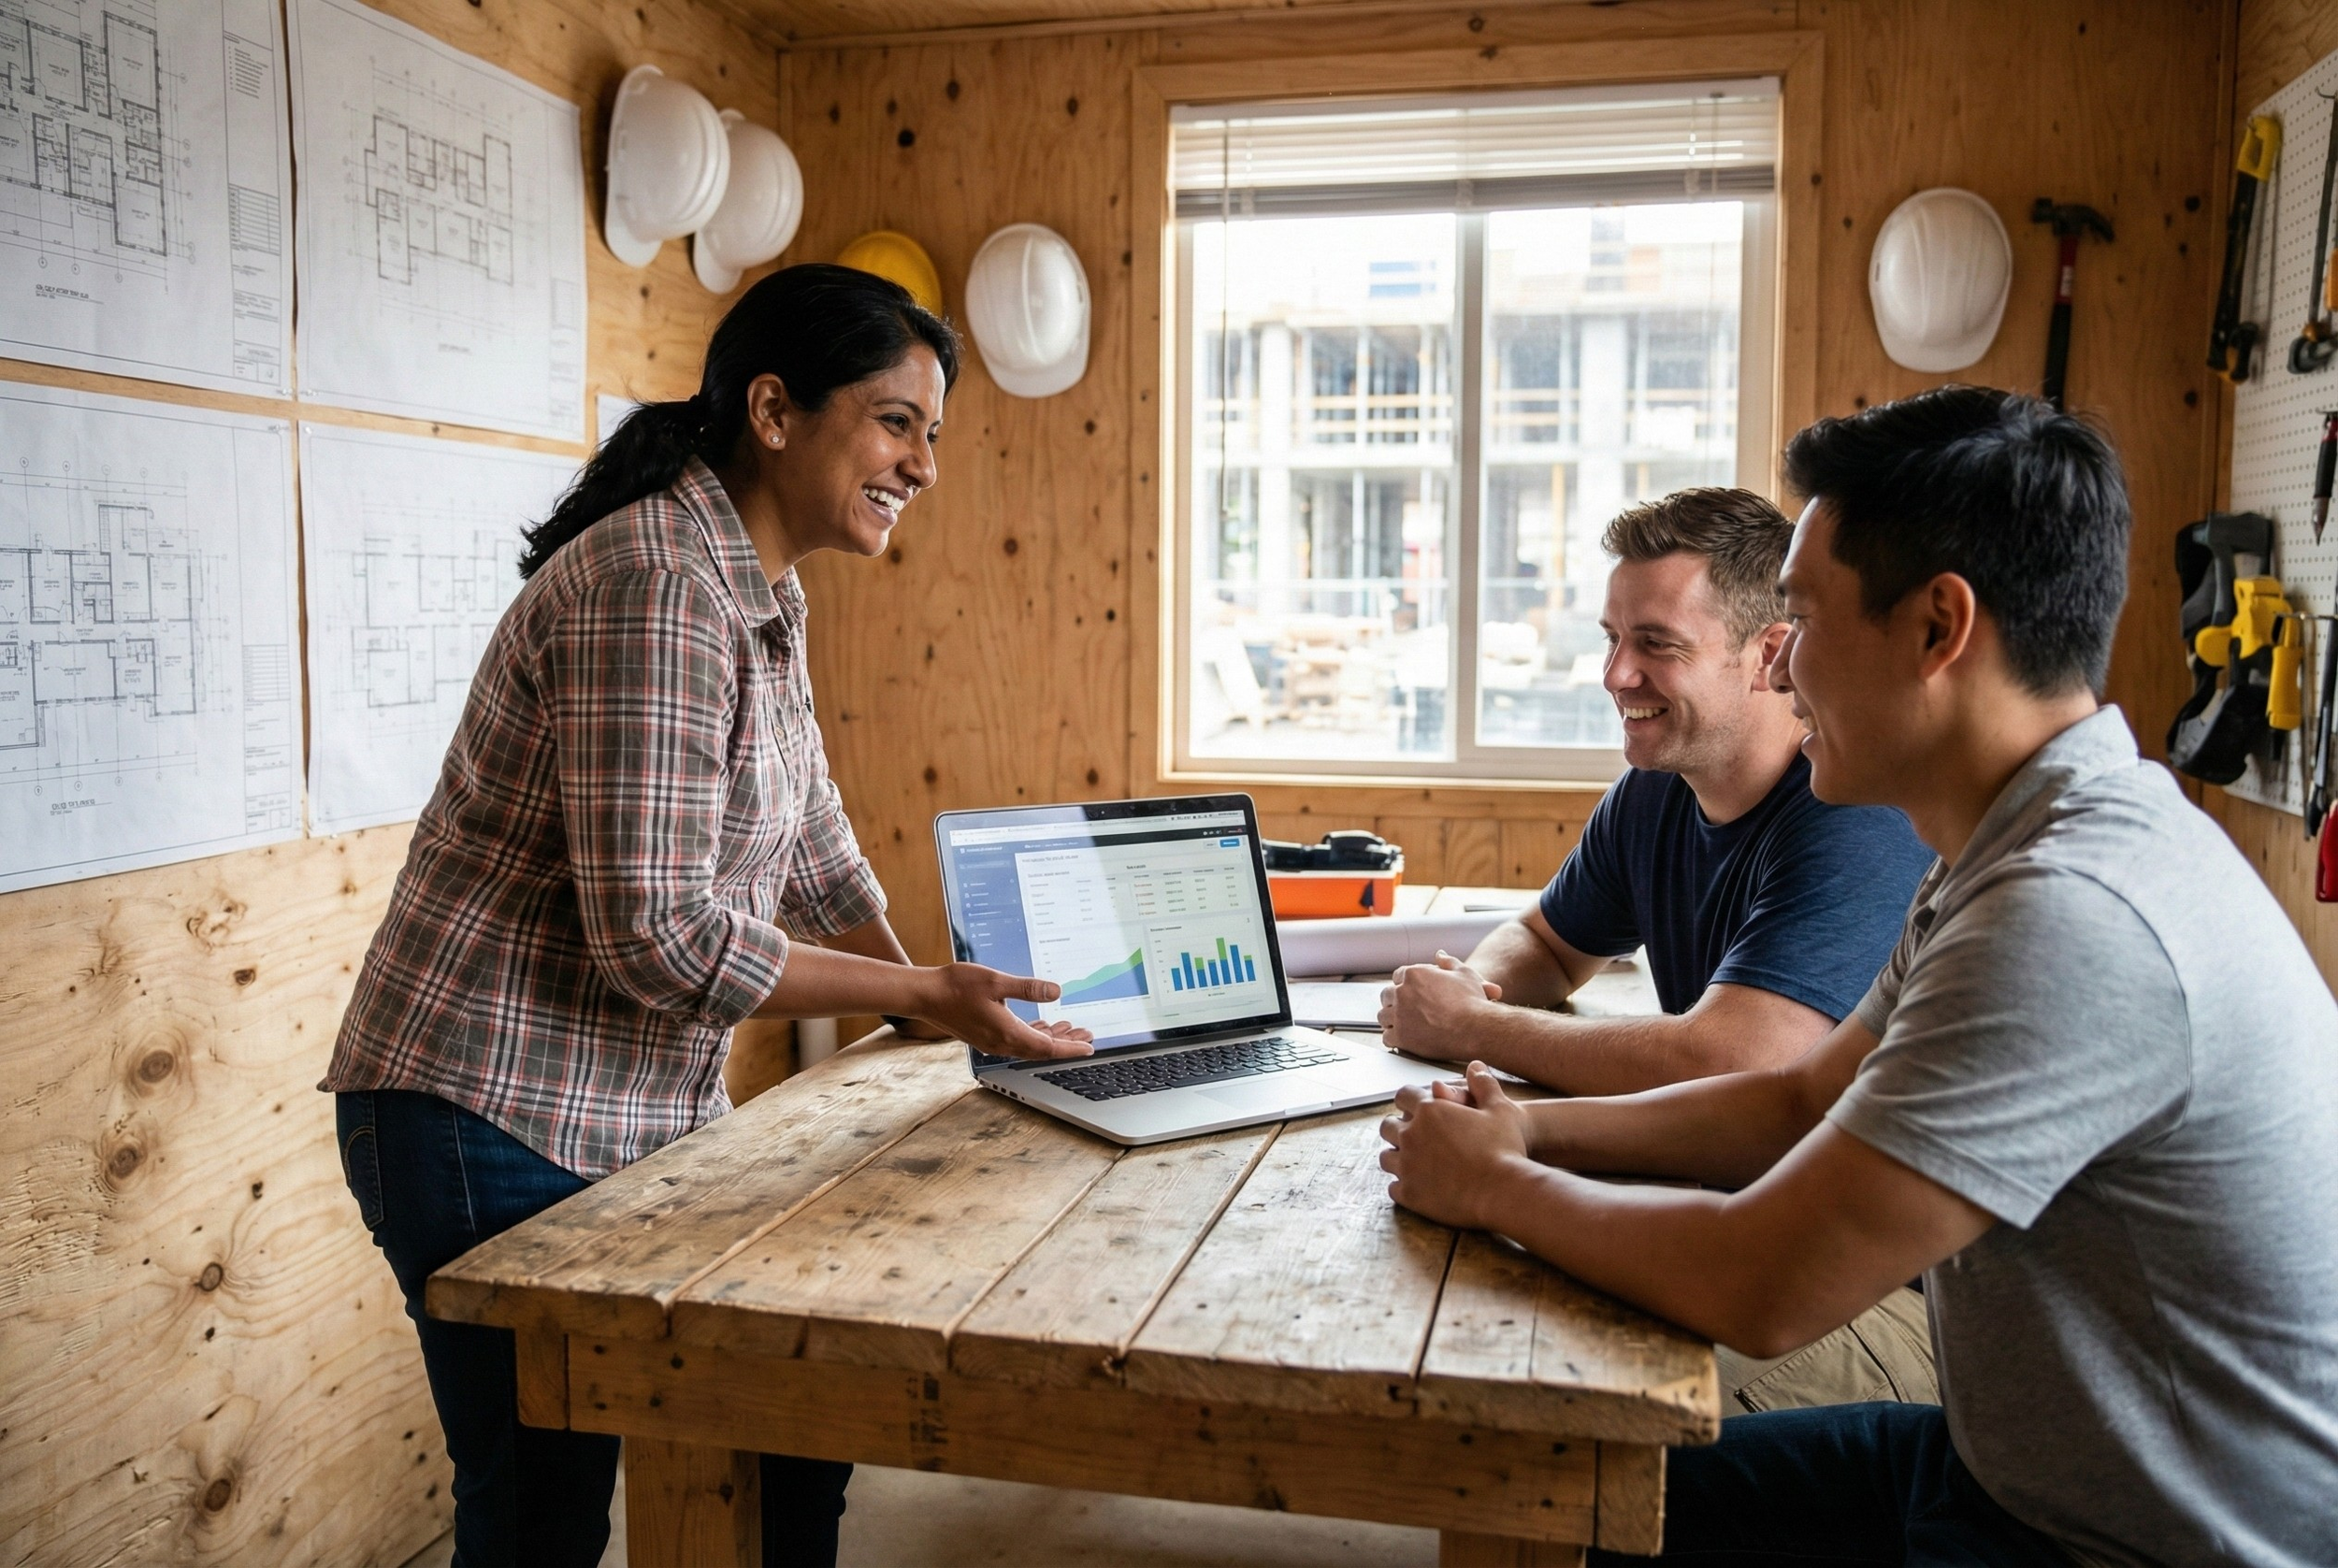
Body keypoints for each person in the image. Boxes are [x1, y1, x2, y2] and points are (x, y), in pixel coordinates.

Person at [1378, 386, 2338, 1567]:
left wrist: (1499, 1190)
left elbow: (1765, 1285)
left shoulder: (2073, 912)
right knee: (1561, 1501)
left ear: (1938, 628)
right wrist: (1524, 1134)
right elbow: (1795, 1100)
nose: (1782, 670)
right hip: (2005, 1470)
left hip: (2128, 1543)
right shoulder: (2000, 846)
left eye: (1800, 620)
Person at [322, 265, 1091, 1568]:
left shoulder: (760, 590)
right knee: (540, 1519)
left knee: (790, 1422)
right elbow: (660, 939)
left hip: (624, 1119)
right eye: (898, 421)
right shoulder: (660, 587)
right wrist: (920, 999)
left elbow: (822, 850)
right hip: (480, 1111)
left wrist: (949, 1010)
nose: (924, 465)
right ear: (776, 410)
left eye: (935, 435)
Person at [1379, 487, 1938, 1412]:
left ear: (1770, 654)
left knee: (1559, 1388)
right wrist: (1478, 990)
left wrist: (1477, 1027)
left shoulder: (1856, 815)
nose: (1614, 675)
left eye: (1656, 645)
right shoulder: (1658, 784)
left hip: (1883, 1295)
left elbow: (1737, 1059)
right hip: (1744, 1217)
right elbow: (1548, 942)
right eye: (1611, 637)